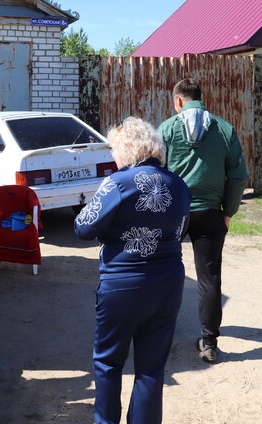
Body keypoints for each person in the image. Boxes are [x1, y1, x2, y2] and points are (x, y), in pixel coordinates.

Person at [74, 117, 190, 424]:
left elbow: (83, 227)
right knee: (152, 369)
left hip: (124, 284)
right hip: (168, 283)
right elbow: (182, 230)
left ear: (127, 149)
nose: (112, 156)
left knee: (108, 364)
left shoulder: (118, 182)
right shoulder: (178, 184)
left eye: (114, 149)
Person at [157, 78, 247, 364]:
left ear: (178, 101)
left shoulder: (168, 129)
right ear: (200, 98)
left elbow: (155, 171)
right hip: (210, 213)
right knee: (209, 279)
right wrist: (229, 212)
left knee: (163, 273)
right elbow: (238, 176)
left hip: (172, 213)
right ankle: (209, 343)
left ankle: (157, 336)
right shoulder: (224, 129)